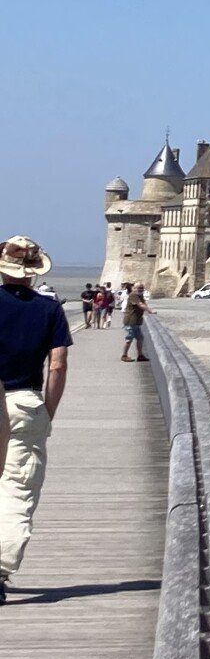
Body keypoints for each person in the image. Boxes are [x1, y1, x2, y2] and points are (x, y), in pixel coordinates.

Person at [0, 237, 71, 605]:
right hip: (25, 402)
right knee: (17, 489)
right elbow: (57, 365)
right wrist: (48, 410)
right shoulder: (50, 310)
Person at [120, 284, 149, 363]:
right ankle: (124, 355)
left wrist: (146, 307)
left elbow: (143, 303)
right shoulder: (133, 295)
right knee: (129, 339)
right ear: (134, 288)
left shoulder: (140, 295)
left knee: (140, 338)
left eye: (142, 288)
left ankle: (140, 355)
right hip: (130, 321)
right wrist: (150, 310)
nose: (141, 289)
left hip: (136, 322)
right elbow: (140, 305)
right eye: (139, 288)